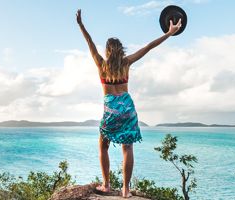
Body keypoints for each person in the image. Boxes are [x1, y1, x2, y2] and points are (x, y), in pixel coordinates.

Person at [76, 9, 181, 198]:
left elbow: (90, 43)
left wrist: (81, 25)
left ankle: (106, 185)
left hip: (111, 110)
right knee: (128, 148)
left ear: (107, 50)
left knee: (103, 145)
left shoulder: (101, 65)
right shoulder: (126, 62)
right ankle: (125, 189)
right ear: (120, 49)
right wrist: (168, 33)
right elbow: (149, 47)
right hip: (128, 108)